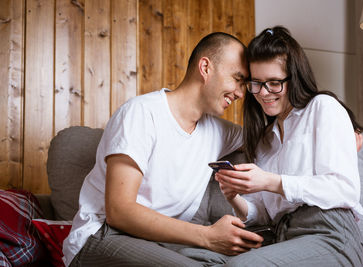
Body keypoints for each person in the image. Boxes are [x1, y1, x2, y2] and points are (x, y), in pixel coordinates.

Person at [62, 32, 264, 266]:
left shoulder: (218, 131)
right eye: (237, 79)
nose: (240, 93)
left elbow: (266, 139)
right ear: (206, 67)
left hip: (160, 244)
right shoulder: (141, 114)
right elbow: (119, 211)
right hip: (102, 235)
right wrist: (207, 237)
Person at [215, 26, 363, 266]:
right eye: (256, 83)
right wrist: (234, 195)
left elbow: (344, 189)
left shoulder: (322, 107)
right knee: (202, 257)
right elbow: (264, 213)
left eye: (274, 83)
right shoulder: (265, 139)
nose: (263, 93)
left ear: (294, 77)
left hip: (330, 235)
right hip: (283, 236)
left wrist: (271, 181)